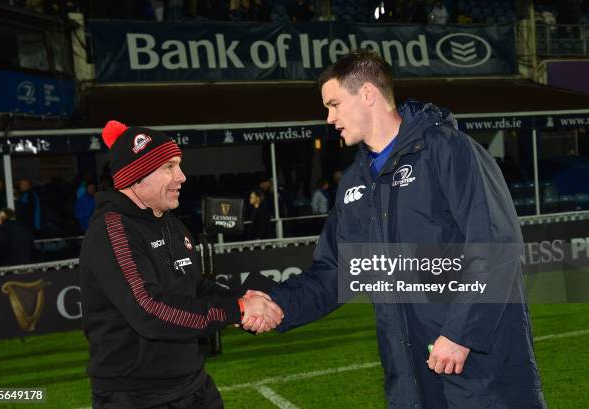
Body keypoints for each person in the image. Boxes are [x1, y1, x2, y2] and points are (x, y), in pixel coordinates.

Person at [244, 50, 546, 409]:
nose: (330, 118)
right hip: (409, 379)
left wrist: (460, 333)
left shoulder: (447, 150)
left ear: (368, 94)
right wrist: (279, 304)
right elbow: (337, 270)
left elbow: (495, 243)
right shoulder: (355, 183)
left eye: (335, 104)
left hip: (478, 371)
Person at [79, 120, 282, 409]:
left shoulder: (170, 224)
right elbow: (149, 310)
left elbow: (194, 286)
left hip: (194, 386)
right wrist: (234, 309)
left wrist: (240, 300)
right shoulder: (111, 232)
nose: (182, 177)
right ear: (137, 176)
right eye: (169, 167)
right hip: (136, 398)